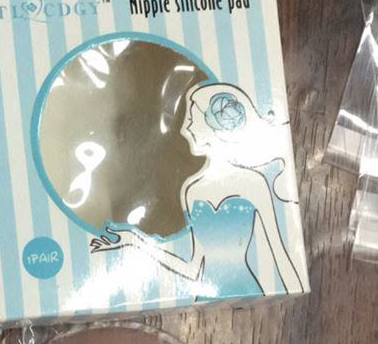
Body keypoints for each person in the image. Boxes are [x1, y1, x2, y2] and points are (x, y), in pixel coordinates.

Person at [91, 84, 305, 299]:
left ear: (212, 126)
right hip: (205, 297)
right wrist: (136, 241)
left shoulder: (253, 183)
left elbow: (280, 254)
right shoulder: (193, 191)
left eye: (192, 119)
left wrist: (297, 293)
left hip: (247, 289)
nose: (185, 129)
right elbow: (193, 270)